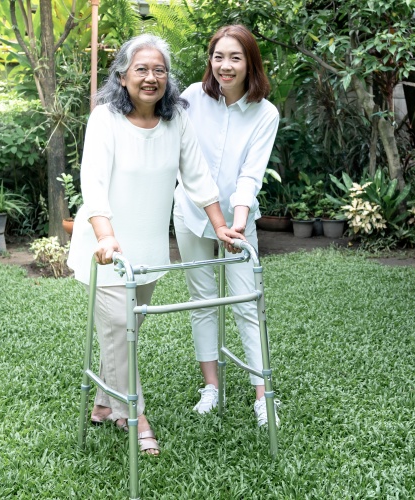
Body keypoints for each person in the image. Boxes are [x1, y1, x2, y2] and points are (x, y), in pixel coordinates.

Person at [67, 34, 244, 456]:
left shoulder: (176, 120)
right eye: (141, 69)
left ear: (169, 77)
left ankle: (104, 403)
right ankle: (137, 417)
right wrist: (107, 235)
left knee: (124, 333)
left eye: (159, 70)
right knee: (119, 332)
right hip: (107, 249)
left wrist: (220, 226)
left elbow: (197, 175)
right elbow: (92, 183)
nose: (151, 77)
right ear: (123, 75)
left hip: (147, 254)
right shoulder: (104, 119)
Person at [173, 25, 281, 427]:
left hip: (238, 221)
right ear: (210, 60)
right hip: (189, 213)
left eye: (235, 57)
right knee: (202, 301)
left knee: (248, 303)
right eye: (219, 56)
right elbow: (179, 158)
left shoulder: (265, 113)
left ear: (250, 62)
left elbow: (250, 176)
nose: (225, 65)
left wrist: (236, 226)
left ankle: (262, 394)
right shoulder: (189, 98)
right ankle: (211, 387)